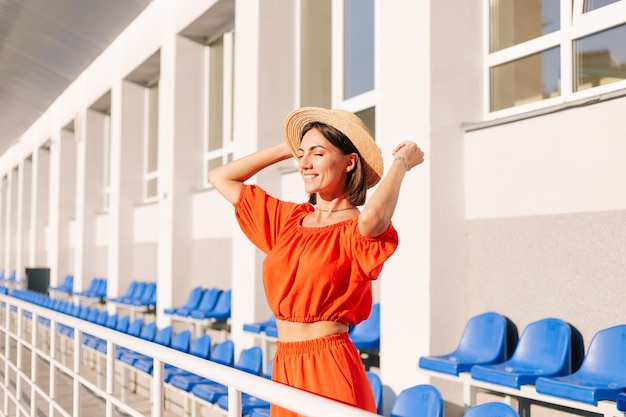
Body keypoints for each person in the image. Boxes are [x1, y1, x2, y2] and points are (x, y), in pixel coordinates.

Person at [208, 107, 424, 416]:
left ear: (350, 162)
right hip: (283, 364)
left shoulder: (356, 230)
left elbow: (375, 215)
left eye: (318, 154)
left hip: (329, 365)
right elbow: (219, 176)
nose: (305, 164)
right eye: (302, 155)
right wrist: (288, 148)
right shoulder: (288, 221)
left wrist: (401, 162)